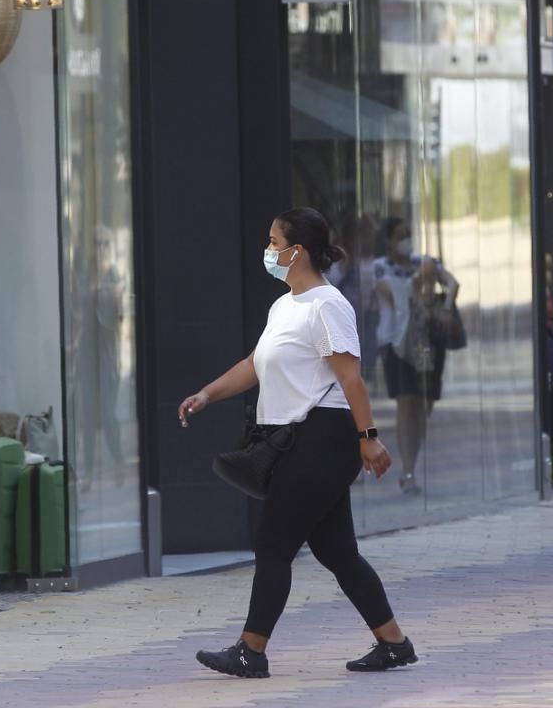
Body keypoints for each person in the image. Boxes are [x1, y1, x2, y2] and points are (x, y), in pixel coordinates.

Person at [180, 208, 416, 677]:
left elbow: (352, 379)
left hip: (323, 437)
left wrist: (368, 439)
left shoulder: (327, 306)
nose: (268, 250)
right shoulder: (285, 305)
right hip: (295, 437)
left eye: (273, 242)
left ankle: (251, 650)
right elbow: (254, 362)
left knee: (273, 544)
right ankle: (393, 642)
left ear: (297, 251)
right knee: (337, 552)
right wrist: (207, 393)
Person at [373, 218, 458, 495]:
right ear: (388, 240)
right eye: (400, 235)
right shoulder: (381, 267)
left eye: (408, 234)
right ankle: (408, 471)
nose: (406, 240)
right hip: (398, 343)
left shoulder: (422, 260)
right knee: (406, 401)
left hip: (423, 344)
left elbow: (452, 283)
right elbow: (392, 293)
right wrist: (422, 275)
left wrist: (446, 306)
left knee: (424, 401)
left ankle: (413, 461)